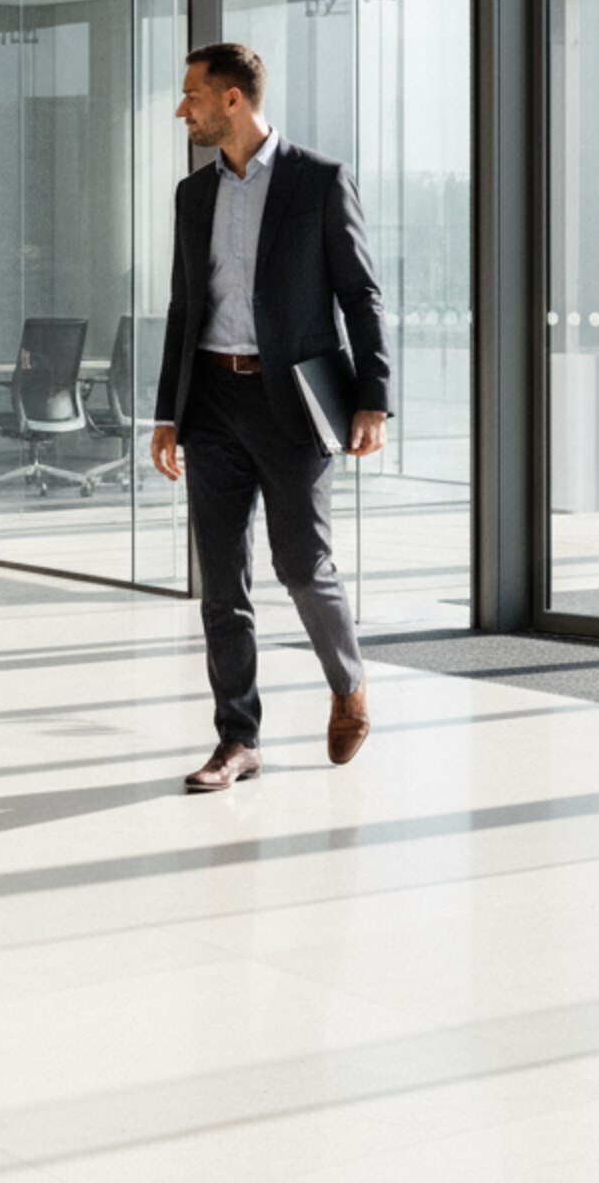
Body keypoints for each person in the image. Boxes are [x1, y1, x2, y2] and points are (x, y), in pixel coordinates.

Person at [149, 44, 390, 792]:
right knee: (221, 584)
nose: (181, 108)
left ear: (231, 100)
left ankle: (347, 685)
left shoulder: (318, 182)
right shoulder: (193, 195)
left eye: (192, 95)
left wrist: (373, 398)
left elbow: (361, 295)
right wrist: (166, 414)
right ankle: (237, 738)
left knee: (301, 565)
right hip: (213, 404)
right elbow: (184, 308)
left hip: (295, 404)